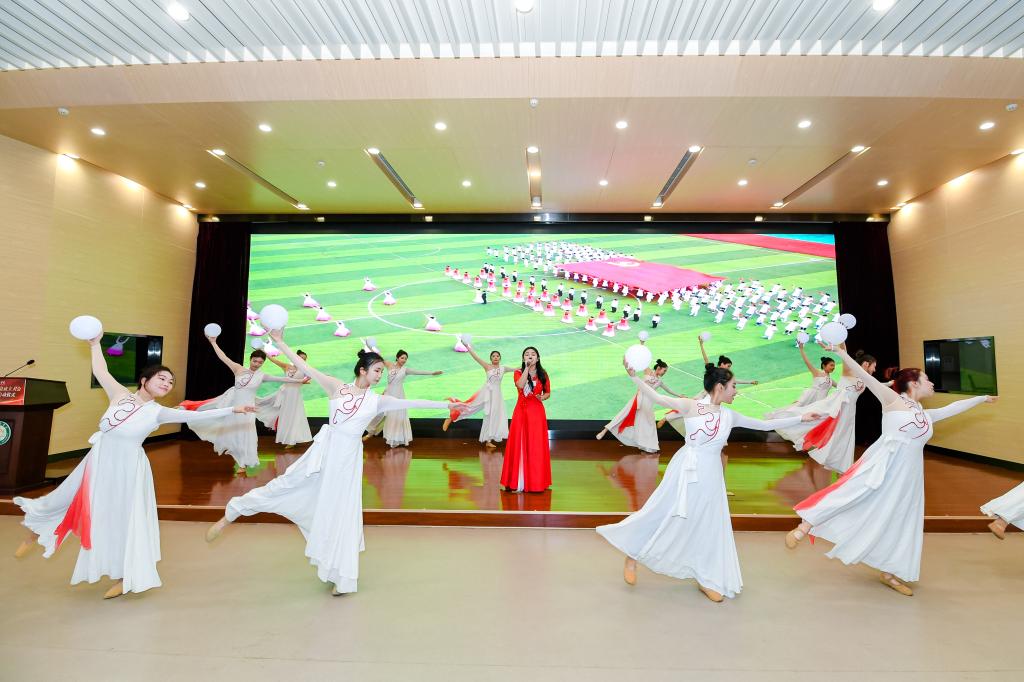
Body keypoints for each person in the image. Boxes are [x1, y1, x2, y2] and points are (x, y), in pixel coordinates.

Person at [206, 330, 469, 596]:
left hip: (347, 462)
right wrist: (281, 341)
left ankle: (341, 577)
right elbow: (304, 367)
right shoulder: (336, 386)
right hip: (323, 453)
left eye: (381, 371)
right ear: (363, 370)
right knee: (285, 484)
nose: (380, 375)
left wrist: (446, 406)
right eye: (377, 370)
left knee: (340, 513)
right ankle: (233, 512)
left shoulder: (378, 400)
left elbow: (413, 402)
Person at [13, 334, 254, 599]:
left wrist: (233, 410)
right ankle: (35, 532)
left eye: (170, 382)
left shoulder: (158, 412)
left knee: (123, 519)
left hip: (128, 467)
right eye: (162, 378)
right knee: (67, 495)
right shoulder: (120, 395)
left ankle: (125, 576)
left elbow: (193, 414)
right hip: (99, 458)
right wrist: (95, 345)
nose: (167, 383)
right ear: (144, 380)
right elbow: (101, 371)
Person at [597, 361, 818, 602]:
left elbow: (765, 425)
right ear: (720, 387)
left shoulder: (729, 415)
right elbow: (658, 398)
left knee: (707, 523)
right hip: (686, 469)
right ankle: (633, 554)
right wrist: (634, 376)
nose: (736, 391)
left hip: (711, 474)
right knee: (664, 512)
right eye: (733, 386)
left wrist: (801, 418)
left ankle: (706, 577)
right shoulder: (690, 406)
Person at [785, 348, 997, 596]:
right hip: (883, 464)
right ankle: (805, 526)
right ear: (913, 383)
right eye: (926, 379)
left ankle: (890, 572)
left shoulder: (923, 413)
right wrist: (840, 352)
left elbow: (952, 408)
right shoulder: (892, 400)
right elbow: (865, 375)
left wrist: (981, 398)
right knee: (852, 492)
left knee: (902, 520)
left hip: (909, 477)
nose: (931, 383)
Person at [188, 336, 303, 472]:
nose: (257, 364)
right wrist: (213, 342)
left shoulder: (262, 376)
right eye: (255, 361)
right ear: (250, 359)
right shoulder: (238, 369)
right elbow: (223, 357)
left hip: (248, 410)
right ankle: (240, 459)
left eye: (260, 362)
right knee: (233, 434)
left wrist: (300, 381)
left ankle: (243, 464)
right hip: (234, 409)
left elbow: (282, 379)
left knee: (248, 436)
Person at [774, 344, 876, 472]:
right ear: (866, 364)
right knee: (812, 420)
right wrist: (842, 339)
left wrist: (891, 383)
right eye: (874, 366)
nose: (875, 369)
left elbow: (877, 385)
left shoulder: (864, 379)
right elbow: (844, 353)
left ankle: (841, 464)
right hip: (833, 405)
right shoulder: (846, 373)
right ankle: (785, 419)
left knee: (843, 436)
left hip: (849, 411)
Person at [596, 359, 684, 453]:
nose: (664, 373)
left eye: (666, 371)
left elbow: (668, 390)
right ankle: (604, 431)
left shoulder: (659, 381)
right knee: (623, 414)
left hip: (648, 403)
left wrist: (679, 395)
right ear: (659, 368)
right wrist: (638, 349)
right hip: (638, 398)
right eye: (664, 370)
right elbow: (642, 360)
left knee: (649, 423)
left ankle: (649, 446)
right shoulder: (648, 371)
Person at [363, 349, 443, 447]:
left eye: (405, 358)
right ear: (397, 358)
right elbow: (379, 357)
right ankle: (370, 433)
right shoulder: (389, 364)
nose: (404, 360)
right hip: (388, 393)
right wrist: (369, 350)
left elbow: (418, 372)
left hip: (399, 395)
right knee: (380, 413)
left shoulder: (405, 370)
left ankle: (395, 439)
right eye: (402, 358)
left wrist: (432, 373)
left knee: (396, 416)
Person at [443, 344, 517, 448]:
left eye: (497, 356)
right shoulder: (487, 366)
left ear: (500, 358)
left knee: (493, 416)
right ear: (491, 358)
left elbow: (517, 369)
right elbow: (476, 357)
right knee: (471, 406)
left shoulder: (503, 368)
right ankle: (451, 417)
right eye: (493, 356)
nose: (495, 357)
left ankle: (488, 440)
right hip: (486, 393)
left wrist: (528, 364)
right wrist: (467, 346)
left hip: (497, 396)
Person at [500, 347, 551, 492]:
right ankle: (515, 481)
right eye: (527, 355)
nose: (530, 356)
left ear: (538, 358)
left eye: (533, 354)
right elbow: (520, 385)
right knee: (518, 442)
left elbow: (547, 392)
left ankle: (536, 482)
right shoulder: (518, 372)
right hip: (521, 412)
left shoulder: (543, 374)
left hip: (537, 413)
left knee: (535, 445)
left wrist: (542, 397)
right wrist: (526, 369)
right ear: (523, 358)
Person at [256, 351, 313, 448]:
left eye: (304, 359)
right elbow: (274, 360)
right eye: (301, 358)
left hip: (295, 396)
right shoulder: (286, 366)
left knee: (294, 416)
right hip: (284, 394)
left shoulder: (305, 370)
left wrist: (303, 382)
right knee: (282, 414)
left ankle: (293, 440)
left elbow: (312, 377)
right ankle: (287, 439)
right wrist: (263, 351)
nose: (302, 360)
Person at [764, 343, 836, 419]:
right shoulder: (817, 373)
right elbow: (807, 362)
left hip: (820, 402)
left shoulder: (830, 380)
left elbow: (840, 386)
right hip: (809, 397)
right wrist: (801, 349)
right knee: (794, 411)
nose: (833, 367)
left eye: (834, 365)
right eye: (831, 365)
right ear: (824, 366)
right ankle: (774, 417)